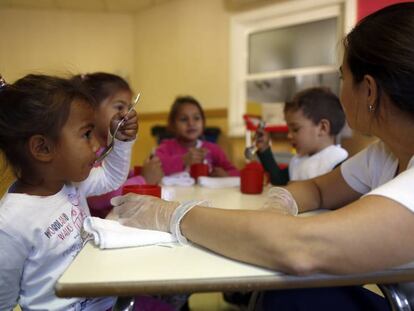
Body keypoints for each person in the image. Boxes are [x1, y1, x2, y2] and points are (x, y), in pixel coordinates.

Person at [111, 2, 414, 310]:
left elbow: (302, 249)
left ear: (370, 92)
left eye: (343, 78)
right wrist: (281, 204)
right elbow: (318, 188)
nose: (341, 91)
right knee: (279, 292)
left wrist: (172, 215)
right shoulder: (385, 153)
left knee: (285, 292)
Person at [0, 74, 139, 310]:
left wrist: (121, 140)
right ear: (43, 148)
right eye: (86, 135)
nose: (96, 145)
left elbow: (111, 177)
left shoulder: (69, 184)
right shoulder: (11, 223)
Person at [72, 72, 163, 218]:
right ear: (90, 109)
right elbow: (101, 198)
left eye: (129, 107)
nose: (126, 113)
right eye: (119, 107)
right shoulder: (86, 152)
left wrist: (135, 173)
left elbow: (112, 175)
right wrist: (144, 179)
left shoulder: (102, 147)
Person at [256, 87, 348, 185]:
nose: (289, 135)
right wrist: (264, 149)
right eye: (289, 129)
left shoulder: (338, 161)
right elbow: (278, 180)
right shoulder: (299, 161)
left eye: (295, 129)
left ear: (322, 128)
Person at [155, 95, 239, 177]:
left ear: (203, 122)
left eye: (196, 118)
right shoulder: (166, 147)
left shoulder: (213, 149)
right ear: (173, 125)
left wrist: (226, 174)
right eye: (184, 119)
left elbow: (236, 172)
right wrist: (183, 160)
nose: (191, 123)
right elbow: (154, 168)